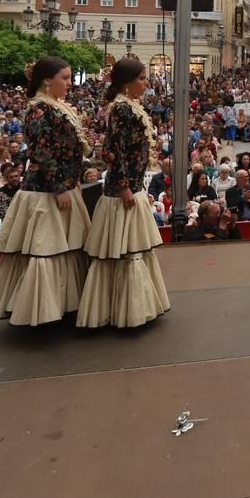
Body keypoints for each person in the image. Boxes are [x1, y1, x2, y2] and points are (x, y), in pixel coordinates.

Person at [0, 56, 93, 325]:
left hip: (63, 185)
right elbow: (42, 152)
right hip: (45, 192)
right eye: (64, 78)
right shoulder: (39, 109)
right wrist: (58, 187)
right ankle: (39, 310)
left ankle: (61, 304)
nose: (69, 83)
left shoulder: (55, 106)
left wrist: (70, 180)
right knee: (45, 249)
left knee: (62, 249)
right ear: (46, 80)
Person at [77, 58, 169, 329]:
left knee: (133, 250)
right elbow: (112, 152)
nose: (146, 82)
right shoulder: (121, 110)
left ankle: (136, 306)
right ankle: (123, 310)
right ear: (127, 83)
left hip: (133, 186)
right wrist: (124, 187)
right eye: (142, 78)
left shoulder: (130, 106)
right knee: (124, 251)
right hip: (122, 192)